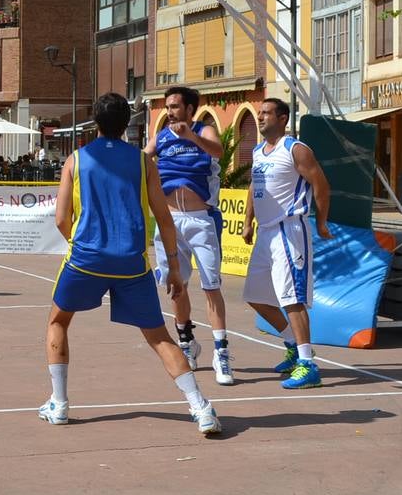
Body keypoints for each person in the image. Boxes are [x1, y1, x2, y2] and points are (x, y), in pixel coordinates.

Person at [39, 92, 221, 436]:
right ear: (127, 124)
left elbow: (62, 218)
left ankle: (59, 405)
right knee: (159, 337)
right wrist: (175, 268)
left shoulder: (76, 160)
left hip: (86, 258)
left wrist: (81, 247)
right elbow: (165, 220)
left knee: (58, 322)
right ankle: (201, 408)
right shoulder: (143, 162)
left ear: (95, 122)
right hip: (131, 263)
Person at [144, 86, 233, 385]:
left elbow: (219, 152)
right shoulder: (162, 136)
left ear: (190, 108)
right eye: (167, 107)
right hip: (170, 221)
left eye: (174, 106)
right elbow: (142, 160)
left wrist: (191, 137)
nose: (169, 112)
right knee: (176, 286)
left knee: (211, 287)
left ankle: (221, 353)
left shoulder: (204, 131)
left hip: (201, 221)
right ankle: (187, 342)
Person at [241, 98, 332, 390]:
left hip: (289, 230)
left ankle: (308, 365)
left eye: (266, 113)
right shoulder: (258, 151)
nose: (260, 117)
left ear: (282, 118)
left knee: (292, 298)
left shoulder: (295, 149)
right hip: (265, 233)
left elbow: (321, 183)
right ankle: (293, 345)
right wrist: (247, 222)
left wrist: (321, 222)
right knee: (255, 296)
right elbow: (255, 187)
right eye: (259, 113)